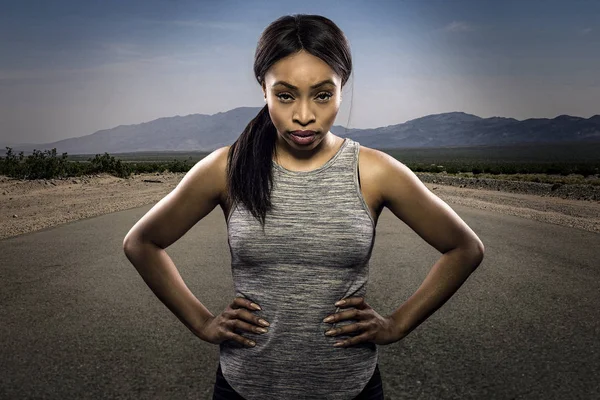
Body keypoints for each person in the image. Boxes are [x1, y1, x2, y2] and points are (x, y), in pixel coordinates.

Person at [123, 13, 485, 400]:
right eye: (285, 94)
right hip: (244, 386)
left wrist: (396, 325)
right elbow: (141, 243)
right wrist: (202, 323)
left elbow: (464, 248)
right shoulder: (226, 168)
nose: (304, 115)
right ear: (263, 88)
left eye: (323, 94)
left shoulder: (374, 171)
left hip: (350, 388)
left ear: (342, 87)